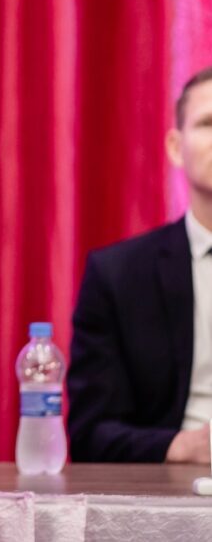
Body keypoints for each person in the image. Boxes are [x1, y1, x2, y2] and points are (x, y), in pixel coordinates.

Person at [68, 66, 212, 464]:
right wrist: (182, 446)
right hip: (175, 480)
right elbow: (90, 433)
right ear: (175, 146)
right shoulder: (118, 276)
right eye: (208, 123)